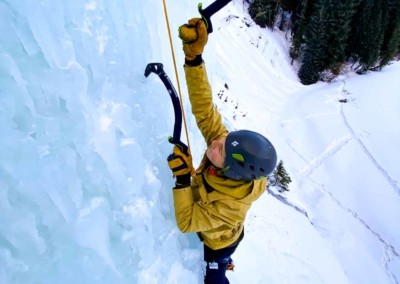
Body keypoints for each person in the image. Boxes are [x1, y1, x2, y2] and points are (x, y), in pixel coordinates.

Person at [167, 18, 277, 284]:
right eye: (222, 140)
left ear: (232, 170)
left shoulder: (230, 207)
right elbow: (205, 109)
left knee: (213, 280)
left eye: (221, 149)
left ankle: (222, 266)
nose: (215, 142)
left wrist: (183, 180)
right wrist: (194, 59)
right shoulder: (225, 147)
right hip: (221, 225)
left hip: (220, 242)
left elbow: (187, 221)